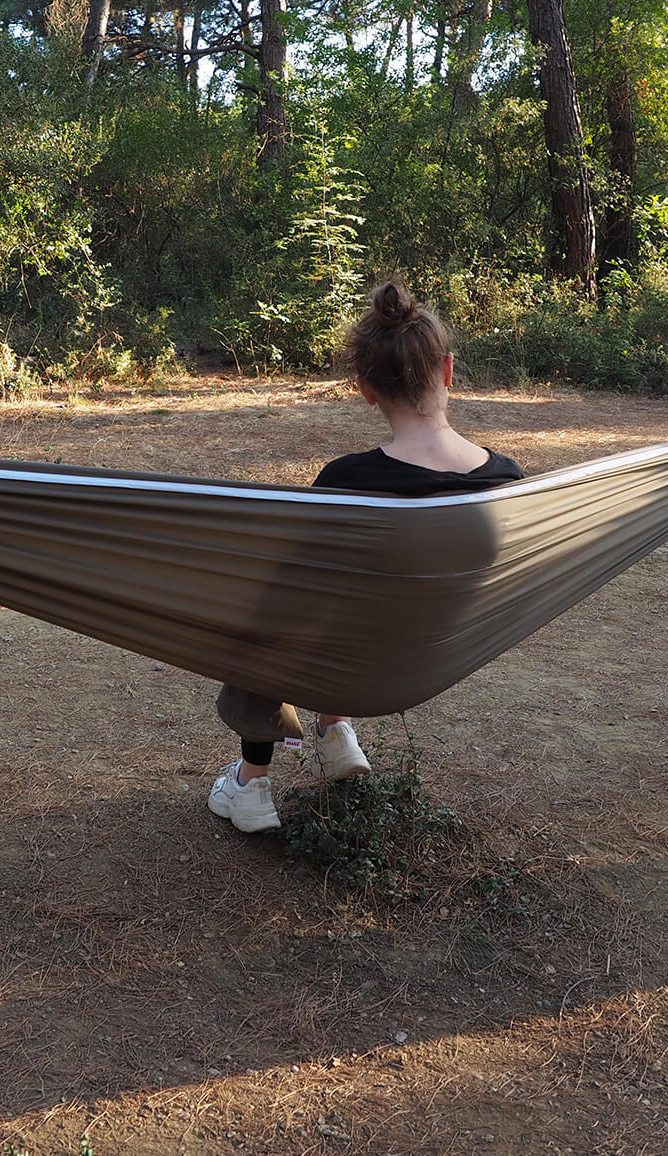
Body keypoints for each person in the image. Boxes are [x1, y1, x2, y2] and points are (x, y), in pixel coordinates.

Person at [207, 278, 526, 833]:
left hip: (344, 662)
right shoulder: (508, 480)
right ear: (448, 371)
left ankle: (251, 782)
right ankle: (335, 729)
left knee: (261, 622)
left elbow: (291, 589)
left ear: (365, 389)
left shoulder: (348, 480)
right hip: (425, 656)